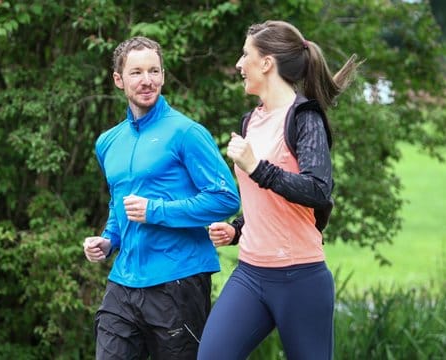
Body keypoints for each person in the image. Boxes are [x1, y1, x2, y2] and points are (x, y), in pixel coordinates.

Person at [197, 20, 362, 360]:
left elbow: (318, 190)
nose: (239, 65)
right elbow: (266, 201)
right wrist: (237, 229)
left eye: (246, 55)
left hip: (300, 278)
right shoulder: (252, 120)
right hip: (250, 274)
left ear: (267, 63)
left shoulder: (304, 118)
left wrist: (257, 167)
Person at [83, 36, 241, 359]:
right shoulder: (108, 142)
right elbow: (119, 202)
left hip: (178, 282)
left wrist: (156, 210)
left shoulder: (186, 133)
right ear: (118, 80)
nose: (147, 81)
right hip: (124, 281)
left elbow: (226, 197)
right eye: (137, 72)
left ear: (163, 76)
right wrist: (109, 239)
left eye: (154, 71)